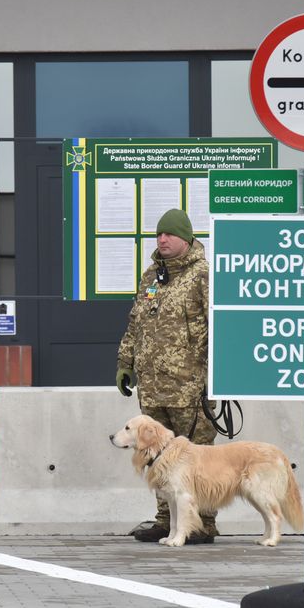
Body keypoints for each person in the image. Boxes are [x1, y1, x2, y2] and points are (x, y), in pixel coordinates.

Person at [115, 208, 218, 544]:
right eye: (159, 234)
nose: (162, 240)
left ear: (186, 238)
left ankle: (202, 523)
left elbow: (221, 327)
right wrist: (125, 361)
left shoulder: (204, 274)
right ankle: (166, 521)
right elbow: (136, 323)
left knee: (197, 458)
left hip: (191, 387)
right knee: (155, 457)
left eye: (169, 234)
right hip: (154, 386)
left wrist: (217, 376)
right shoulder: (151, 278)